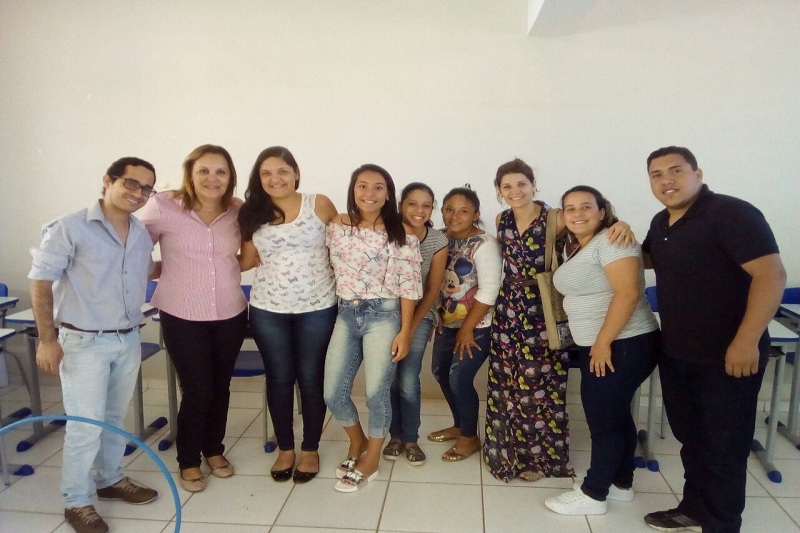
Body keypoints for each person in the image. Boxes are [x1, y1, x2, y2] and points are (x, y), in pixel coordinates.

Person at [641, 146, 786, 533]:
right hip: (678, 353)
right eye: (656, 174)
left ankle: (722, 524)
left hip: (729, 356)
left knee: (724, 445)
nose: (666, 180)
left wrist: (746, 341)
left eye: (676, 170)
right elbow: (647, 258)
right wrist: (613, 232)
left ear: (697, 173)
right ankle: (694, 509)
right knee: (692, 440)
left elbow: (771, 275)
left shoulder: (731, 213)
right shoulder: (661, 222)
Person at [29, 157, 159, 533]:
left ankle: (110, 479)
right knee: (85, 426)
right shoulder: (69, 227)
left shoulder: (140, 232)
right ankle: (76, 501)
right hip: (83, 342)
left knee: (114, 418)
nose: (138, 193)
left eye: (146, 188)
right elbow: (40, 283)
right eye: (131, 183)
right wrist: (47, 340)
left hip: (127, 337)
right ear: (108, 180)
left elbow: (147, 270)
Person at [484, 159, 633, 482]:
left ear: (533, 184)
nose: (515, 191)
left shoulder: (554, 217)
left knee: (540, 385)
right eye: (507, 186)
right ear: (499, 190)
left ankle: (539, 460)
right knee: (505, 381)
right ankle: (506, 452)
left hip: (543, 307)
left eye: (521, 184)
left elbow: (592, 226)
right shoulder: (501, 219)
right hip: (507, 306)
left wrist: (621, 224)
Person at [137, 144, 248, 493]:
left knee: (221, 386)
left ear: (230, 177)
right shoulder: (164, 205)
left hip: (230, 311)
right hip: (182, 313)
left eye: (221, 171)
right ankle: (188, 459)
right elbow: (133, 248)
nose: (212, 178)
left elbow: (247, 255)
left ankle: (213, 449)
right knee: (198, 389)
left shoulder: (238, 210)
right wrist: (158, 269)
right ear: (190, 173)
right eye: (204, 170)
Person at [544, 186, 659, 515]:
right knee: (617, 415)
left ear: (602, 211)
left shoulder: (612, 240)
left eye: (586, 207)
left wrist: (603, 342)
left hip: (621, 343)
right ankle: (621, 484)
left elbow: (628, 293)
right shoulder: (583, 245)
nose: (577, 213)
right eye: (570, 208)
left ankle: (594, 494)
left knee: (603, 421)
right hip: (606, 344)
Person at [238, 146, 338, 483]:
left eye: (282, 171)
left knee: (311, 378)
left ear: (295, 172)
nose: (275, 179)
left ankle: (310, 449)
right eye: (266, 173)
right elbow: (246, 260)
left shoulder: (319, 204)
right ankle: (285, 448)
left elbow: (342, 247)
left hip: (318, 307)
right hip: (269, 309)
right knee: (279, 378)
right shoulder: (252, 212)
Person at [324, 164, 422, 492]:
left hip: (384, 316)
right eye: (362, 185)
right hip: (345, 314)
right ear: (353, 190)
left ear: (388, 194)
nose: (370, 193)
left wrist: (405, 331)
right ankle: (358, 442)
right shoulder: (337, 226)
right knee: (332, 393)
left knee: (375, 393)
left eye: (378, 187)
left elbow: (409, 286)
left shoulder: (402, 233)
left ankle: (373, 458)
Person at [428, 187, 502, 462]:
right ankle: (460, 426)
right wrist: (437, 315)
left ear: (475, 214)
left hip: (477, 325)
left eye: (463, 211)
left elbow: (489, 290)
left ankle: (470, 438)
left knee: (459, 379)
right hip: (447, 323)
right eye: (449, 209)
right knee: (440, 372)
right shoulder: (439, 238)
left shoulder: (485, 245)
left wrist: (468, 328)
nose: (454, 216)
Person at [382, 183, 448, 466]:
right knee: (388, 378)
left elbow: (432, 289)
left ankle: (410, 438)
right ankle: (394, 436)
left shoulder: (437, 241)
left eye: (426, 205)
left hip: (420, 314)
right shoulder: (385, 231)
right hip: (385, 314)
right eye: (412, 203)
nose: (419, 210)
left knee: (408, 379)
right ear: (400, 205)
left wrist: (409, 328)